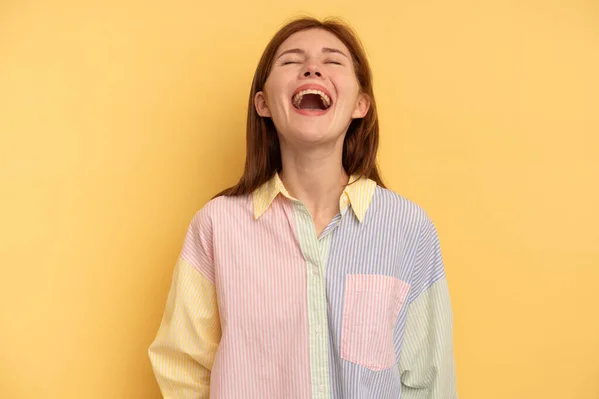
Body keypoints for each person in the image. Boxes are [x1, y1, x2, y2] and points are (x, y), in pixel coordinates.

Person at [148, 16, 457, 399]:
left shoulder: (409, 228)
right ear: (263, 104)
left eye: (333, 61)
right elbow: (182, 367)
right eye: (291, 61)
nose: (312, 67)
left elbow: (429, 381)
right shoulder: (217, 226)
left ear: (361, 104)